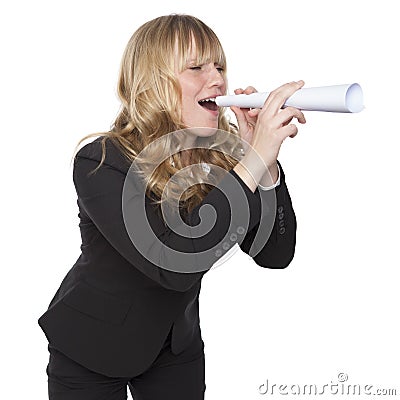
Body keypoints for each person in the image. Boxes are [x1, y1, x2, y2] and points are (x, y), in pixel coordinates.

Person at [38, 14, 305, 400]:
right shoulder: (100, 161)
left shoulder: (222, 161)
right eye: (196, 67)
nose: (217, 79)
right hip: (91, 343)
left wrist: (261, 163)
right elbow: (171, 266)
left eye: (220, 66)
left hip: (174, 345)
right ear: (152, 83)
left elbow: (275, 255)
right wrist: (250, 161)